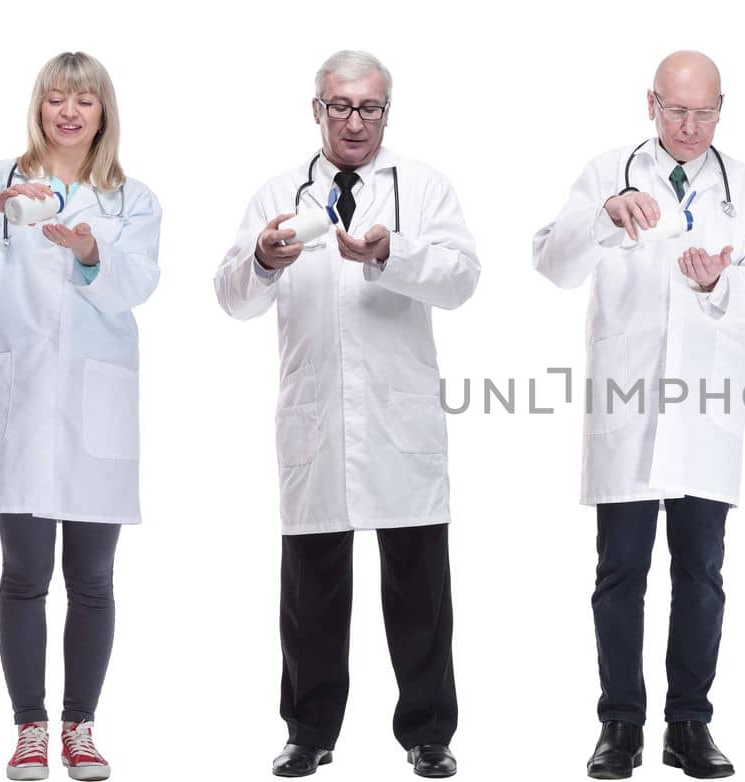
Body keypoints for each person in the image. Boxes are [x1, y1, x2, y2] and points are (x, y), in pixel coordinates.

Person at [214, 50, 480, 780]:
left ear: (387, 113)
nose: (355, 121)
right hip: (317, 418)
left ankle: (428, 732)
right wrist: (265, 260)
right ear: (317, 110)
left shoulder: (422, 188)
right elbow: (232, 297)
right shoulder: (278, 191)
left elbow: (462, 280)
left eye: (369, 107)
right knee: (311, 591)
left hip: (402, 423)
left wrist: (396, 252)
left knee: (420, 589)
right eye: (341, 106)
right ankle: (308, 731)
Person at [532, 50, 745, 780]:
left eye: (704, 112)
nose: (690, 126)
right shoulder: (608, 172)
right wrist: (604, 220)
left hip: (706, 412)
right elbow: (551, 263)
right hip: (629, 408)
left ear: (721, 108)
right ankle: (620, 727)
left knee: (701, 574)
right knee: (620, 574)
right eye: (676, 110)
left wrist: (722, 282)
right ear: (651, 103)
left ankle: (689, 726)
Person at [0, 51, 161, 782]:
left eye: (83, 100)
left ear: (103, 111)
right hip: (18, 403)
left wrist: (90, 252)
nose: (68, 112)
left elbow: (139, 281)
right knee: (23, 574)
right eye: (56, 98)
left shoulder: (132, 200)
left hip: (96, 406)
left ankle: (80, 729)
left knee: (93, 578)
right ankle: (29, 729)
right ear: (39, 106)